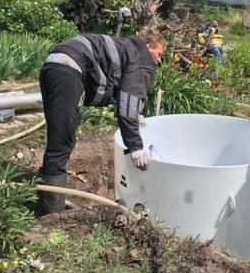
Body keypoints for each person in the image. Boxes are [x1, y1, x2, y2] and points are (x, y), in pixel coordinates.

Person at [38, 28, 166, 214]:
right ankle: (52, 215)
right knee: (60, 142)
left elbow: (121, 93)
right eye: (159, 53)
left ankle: (47, 197)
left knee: (62, 134)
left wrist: (133, 115)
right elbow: (129, 101)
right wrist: (135, 147)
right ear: (148, 46)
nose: (159, 60)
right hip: (68, 69)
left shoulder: (126, 48)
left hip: (54, 65)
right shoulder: (142, 58)